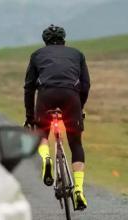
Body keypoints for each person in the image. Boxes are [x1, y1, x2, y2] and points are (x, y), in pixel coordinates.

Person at [23, 24, 90, 210]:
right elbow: (86, 84)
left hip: (46, 96)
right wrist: (79, 107)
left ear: (45, 42)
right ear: (64, 40)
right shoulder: (77, 54)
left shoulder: (36, 55)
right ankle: (78, 190)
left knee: (42, 133)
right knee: (76, 144)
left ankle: (46, 160)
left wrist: (30, 116)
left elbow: (29, 88)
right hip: (71, 98)